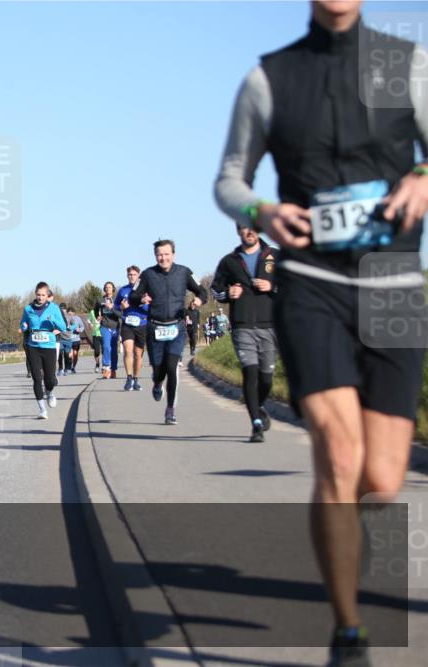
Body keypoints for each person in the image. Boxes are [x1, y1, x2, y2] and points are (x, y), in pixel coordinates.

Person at [215, 1, 428, 662]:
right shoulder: (269, 78)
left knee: (384, 477)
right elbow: (230, 180)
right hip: (311, 284)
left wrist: (422, 176)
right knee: (339, 456)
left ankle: (341, 532)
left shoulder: (404, 64)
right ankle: (348, 629)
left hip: (392, 284)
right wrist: (264, 208)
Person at [212, 226, 279, 443]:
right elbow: (215, 289)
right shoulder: (229, 261)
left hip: (270, 325)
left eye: (251, 228)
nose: (248, 232)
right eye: (243, 228)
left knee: (266, 378)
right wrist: (227, 294)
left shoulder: (274, 256)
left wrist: (272, 286)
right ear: (238, 231)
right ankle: (256, 425)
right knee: (250, 374)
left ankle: (257, 404)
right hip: (242, 326)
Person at [129, 240, 207, 425]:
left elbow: (202, 291)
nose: (163, 258)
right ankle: (157, 383)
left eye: (166, 254)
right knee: (159, 371)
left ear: (174, 254)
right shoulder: (148, 274)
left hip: (176, 327)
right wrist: (141, 298)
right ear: (155, 256)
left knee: (172, 367)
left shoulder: (184, 272)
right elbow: (132, 297)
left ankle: (170, 409)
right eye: (159, 254)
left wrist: (198, 301)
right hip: (155, 327)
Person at [20, 282, 68, 419]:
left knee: (50, 379)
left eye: (43, 295)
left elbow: (63, 327)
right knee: (36, 378)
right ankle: (42, 409)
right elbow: (23, 324)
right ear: (35, 294)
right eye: (38, 295)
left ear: (48, 296)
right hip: (33, 346)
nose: (40, 297)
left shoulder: (54, 309)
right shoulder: (28, 308)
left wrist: (53, 320)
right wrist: (24, 326)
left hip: (49, 346)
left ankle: (50, 392)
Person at [117, 265, 149, 391]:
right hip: (127, 323)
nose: (132, 276)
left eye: (134, 274)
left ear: (138, 276)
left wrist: (143, 304)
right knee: (127, 349)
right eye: (130, 274)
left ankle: (136, 379)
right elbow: (116, 307)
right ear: (127, 276)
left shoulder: (145, 291)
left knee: (137, 354)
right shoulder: (122, 290)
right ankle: (129, 378)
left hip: (141, 324)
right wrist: (122, 307)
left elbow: (151, 308)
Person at [99, 281, 121, 379]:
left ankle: (113, 369)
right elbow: (95, 310)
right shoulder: (100, 300)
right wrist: (98, 317)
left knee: (114, 349)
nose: (108, 289)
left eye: (110, 287)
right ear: (104, 289)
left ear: (113, 289)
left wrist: (112, 308)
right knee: (106, 346)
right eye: (106, 287)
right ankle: (106, 367)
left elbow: (120, 314)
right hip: (104, 326)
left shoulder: (117, 300)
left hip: (115, 327)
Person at [67, 307, 85, 373]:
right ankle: (69, 364)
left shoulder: (78, 318)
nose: (70, 316)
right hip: (68, 339)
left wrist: (79, 330)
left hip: (76, 339)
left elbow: (82, 326)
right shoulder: (66, 319)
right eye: (69, 314)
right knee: (70, 354)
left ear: (74, 313)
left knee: (75, 354)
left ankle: (73, 367)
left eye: (71, 314)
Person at [57, 303, 73, 376]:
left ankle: (66, 369)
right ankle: (60, 368)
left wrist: (71, 328)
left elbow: (74, 325)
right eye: (60, 308)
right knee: (60, 354)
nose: (62, 310)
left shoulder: (69, 316)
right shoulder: (57, 316)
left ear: (65, 309)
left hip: (68, 338)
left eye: (63, 309)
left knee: (67, 355)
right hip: (60, 338)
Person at [88, 307, 103, 372]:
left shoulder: (104, 310)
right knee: (97, 352)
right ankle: (97, 364)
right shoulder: (92, 312)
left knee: (105, 350)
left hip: (103, 334)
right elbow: (89, 320)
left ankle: (105, 366)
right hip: (95, 334)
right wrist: (90, 325)